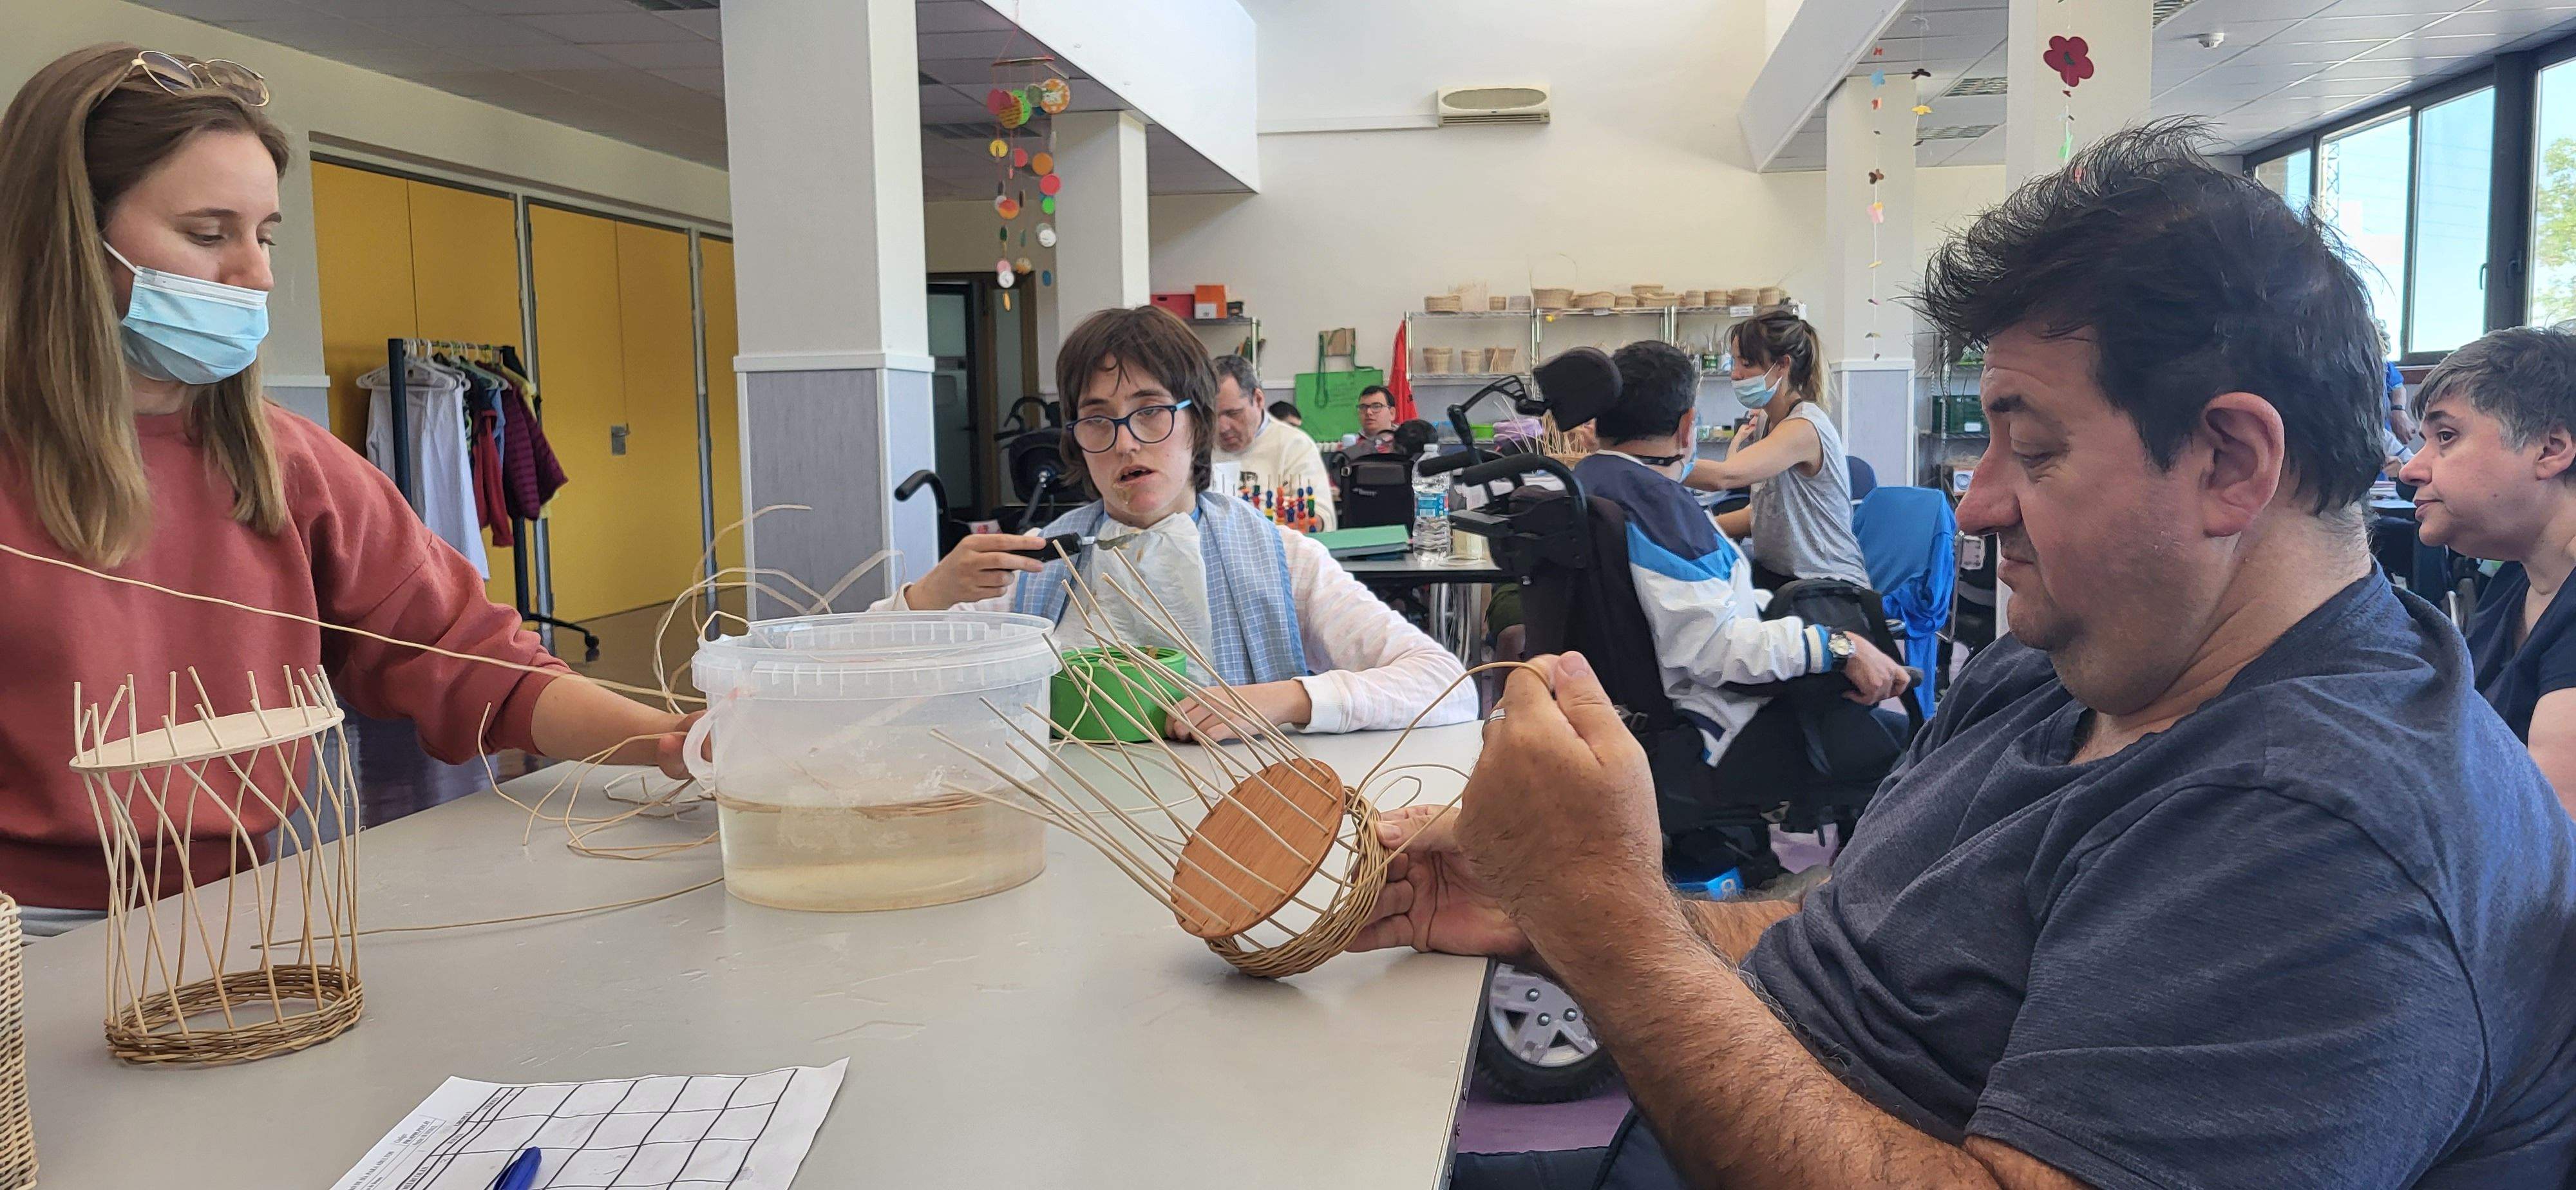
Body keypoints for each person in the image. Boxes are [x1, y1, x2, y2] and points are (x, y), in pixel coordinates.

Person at [1357, 123, 2576, 1188]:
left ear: (2230, 464)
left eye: (2031, 451)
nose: (1977, 504)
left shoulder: (2327, 829)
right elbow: (1848, 948)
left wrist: (1607, 923)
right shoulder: (2061, 666)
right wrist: (1563, 911)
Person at [0, 46, 696, 934]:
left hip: (244, 907)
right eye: (209, 235)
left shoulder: (290, 465)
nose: (255, 275)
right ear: (66, 234)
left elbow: (470, 662)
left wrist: (668, 744)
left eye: (265, 236)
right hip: (27, 933)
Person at [875, 307, 1473, 741]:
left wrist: (1286, 699)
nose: (1127, 443)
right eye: (1098, 420)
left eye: (1151, 412)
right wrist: (927, 598)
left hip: (1246, 838)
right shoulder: (1037, 568)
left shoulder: (1280, 558)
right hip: (1072, 834)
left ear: (1198, 423)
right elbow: (861, 679)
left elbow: (1448, 685)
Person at [1573, 340, 1911, 876]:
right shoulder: (1660, 508)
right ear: (1688, 427)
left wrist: (1800, 637)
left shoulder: (1590, 485)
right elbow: (1717, 650)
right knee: (1907, 752)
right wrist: (1837, 645)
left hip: (1638, 719)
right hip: (1707, 731)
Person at [2397, 326, 2576, 810]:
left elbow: (2552, 839)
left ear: (2550, 450)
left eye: (2446, 437)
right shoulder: (2518, 579)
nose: (2412, 470)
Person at [1695, 310, 1871, 590]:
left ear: (1782, 366)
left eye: (1748, 363)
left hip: (1826, 588)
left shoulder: (1803, 428)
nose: (1736, 373)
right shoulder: (1768, 419)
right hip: (1781, 579)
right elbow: (1763, 513)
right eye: (1735, 361)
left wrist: (1655, 461)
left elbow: (1725, 476)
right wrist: (1699, 530)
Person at [1210, 352, 1336, 529]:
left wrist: (1298, 518)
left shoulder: (1295, 446)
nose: (1222, 427)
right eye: (1212, 416)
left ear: (1259, 399)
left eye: (1233, 414)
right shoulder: (1198, 446)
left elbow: (1322, 518)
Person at [1348, 384, 1399, 454]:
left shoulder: (1405, 443)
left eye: (1376, 407)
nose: (1368, 412)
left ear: (1392, 413)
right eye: (1363, 407)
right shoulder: (1351, 447)